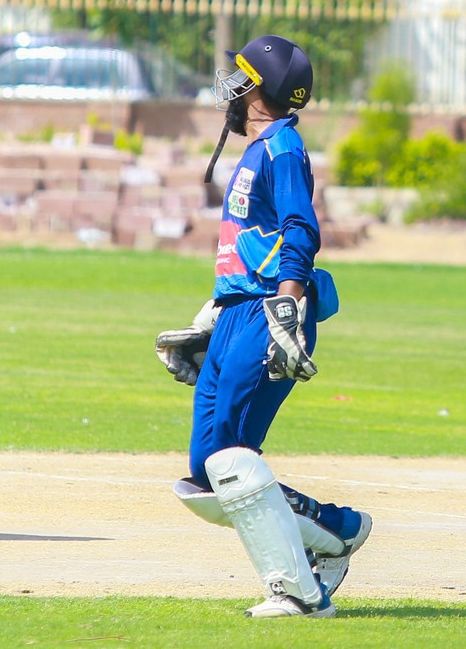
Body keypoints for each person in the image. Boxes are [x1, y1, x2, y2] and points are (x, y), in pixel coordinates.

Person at [155, 35, 371, 618]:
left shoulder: (282, 148)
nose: (231, 84)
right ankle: (339, 530)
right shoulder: (256, 151)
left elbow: (301, 230)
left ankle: (299, 593)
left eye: (242, 75)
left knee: (230, 462)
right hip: (237, 312)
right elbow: (251, 247)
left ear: (261, 89)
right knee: (205, 477)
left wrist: (287, 310)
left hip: (267, 313)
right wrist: (213, 314)